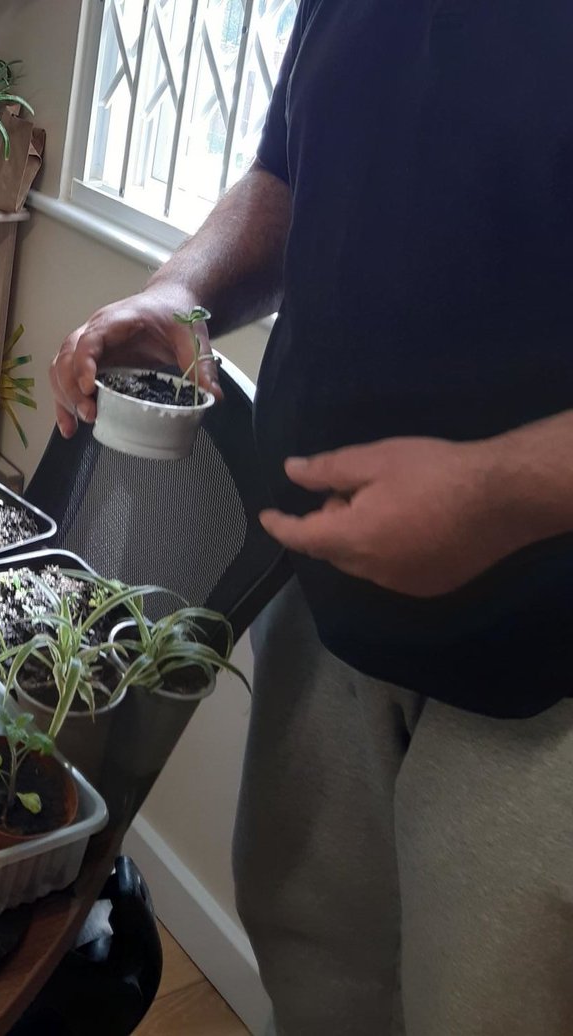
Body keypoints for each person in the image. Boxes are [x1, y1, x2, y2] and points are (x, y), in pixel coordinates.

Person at [51, 3, 573, 1034]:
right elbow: (292, 170)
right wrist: (182, 289)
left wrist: (507, 485)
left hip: (543, 679)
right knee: (316, 971)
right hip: (329, 607)